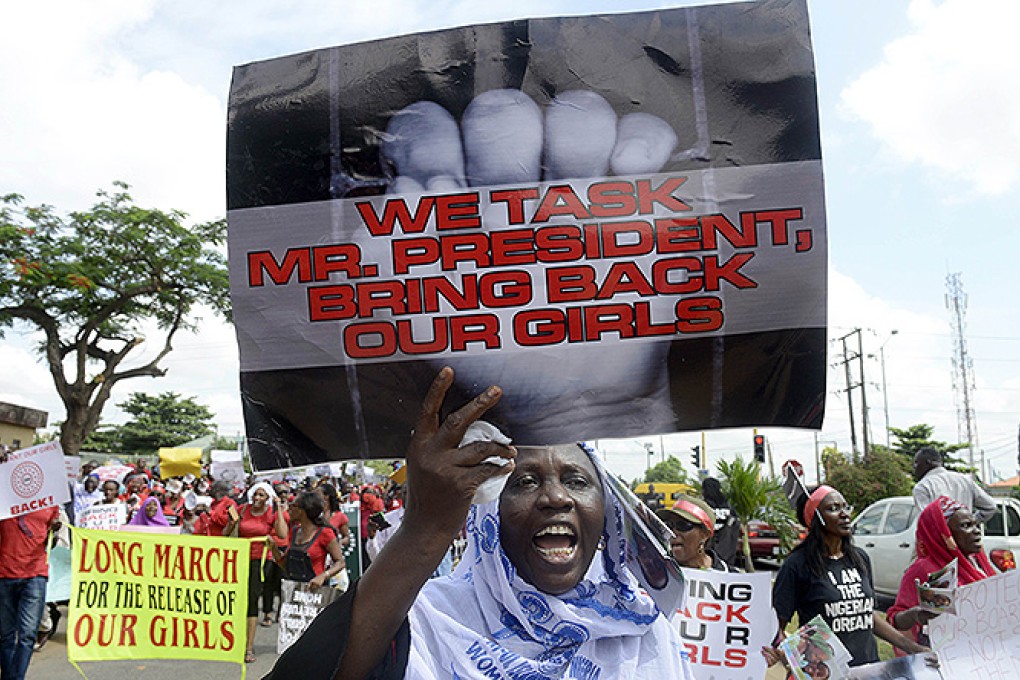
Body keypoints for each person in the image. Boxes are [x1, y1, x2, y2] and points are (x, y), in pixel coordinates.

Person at [264, 367, 695, 680]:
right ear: (489, 519)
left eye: (577, 480)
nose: (556, 497)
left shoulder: (641, 629)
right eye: (524, 482)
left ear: (606, 511)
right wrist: (424, 529)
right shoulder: (428, 619)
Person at [767, 485, 927, 669]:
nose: (844, 514)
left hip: (866, 669)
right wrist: (790, 657)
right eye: (833, 509)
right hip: (827, 673)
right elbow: (776, 626)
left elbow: (866, 615)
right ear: (815, 518)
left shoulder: (860, 559)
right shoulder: (797, 565)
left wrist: (911, 647)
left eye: (845, 507)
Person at [886, 496, 996, 652]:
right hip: (945, 657)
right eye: (966, 526)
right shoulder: (924, 569)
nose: (977, 531)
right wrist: (915, 614)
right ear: (943, 534)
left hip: (983, 652)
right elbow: (895, 619)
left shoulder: (977, 563)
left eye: (976, 525)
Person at [227, 482, 289, 664]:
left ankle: (248, 647)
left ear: (268, 497)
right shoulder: (242, 508)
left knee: (253, 599)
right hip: (241, 558)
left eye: (262, 495)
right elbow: (226, 533)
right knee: (239, 600)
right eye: (255, 494)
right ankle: (235, 642)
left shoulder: (271, 513)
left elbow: (282, 533)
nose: (257, 498)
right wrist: (232, 524)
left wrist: (278, 508)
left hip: (261, 559)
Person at [0, 506, 61, 680]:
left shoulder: (49, 503)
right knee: (6, 635)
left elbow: (51, 540)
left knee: (27, 635)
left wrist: (54, 531)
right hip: (4, 573)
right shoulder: (3, 497)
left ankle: (15, 677)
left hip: (35, 575)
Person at [270, 491, 345, 589]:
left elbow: (340, 562)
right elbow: (287, 566)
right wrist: (273, 548)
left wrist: (323, 576)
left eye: (293, 505)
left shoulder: (325, 533)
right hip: (294, 591)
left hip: (315, 593)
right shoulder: (294, 531)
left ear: (302, 511)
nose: (289, 509)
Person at [912, 446, 995, 523]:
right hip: (965, 537)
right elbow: (990, 506)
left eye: (916, 463)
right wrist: (969, 523)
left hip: (940, 538)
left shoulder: (923, 486)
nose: (914, 467)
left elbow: (927, 521)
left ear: (928, 462)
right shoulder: (965, 480)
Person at [656, 494, 738, 571]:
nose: (673, 532)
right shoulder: (657, 575)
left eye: (683, 525)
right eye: (669, 525)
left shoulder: (730, 577)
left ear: (705, 534)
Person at [701, 476, 742, 569]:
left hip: (709, 550)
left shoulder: (704, 506)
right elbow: (735, 522)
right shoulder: (727, 504)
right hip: (727, 549)